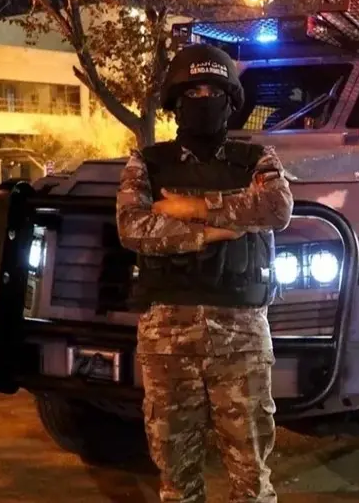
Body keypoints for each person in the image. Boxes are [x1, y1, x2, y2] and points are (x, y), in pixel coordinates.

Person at [116, 43, 293, 503]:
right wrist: (218, 230)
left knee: (251, 481)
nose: (203, 99)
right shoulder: (147, 162)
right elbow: (133, 227)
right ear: (175, 102)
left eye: (213, 91)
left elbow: (276, 208)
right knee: (177, 481)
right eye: (192, 91)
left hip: (241, 336)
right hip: (167, 337)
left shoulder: (256, 159)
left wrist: (191, 208)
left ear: (230, 101)